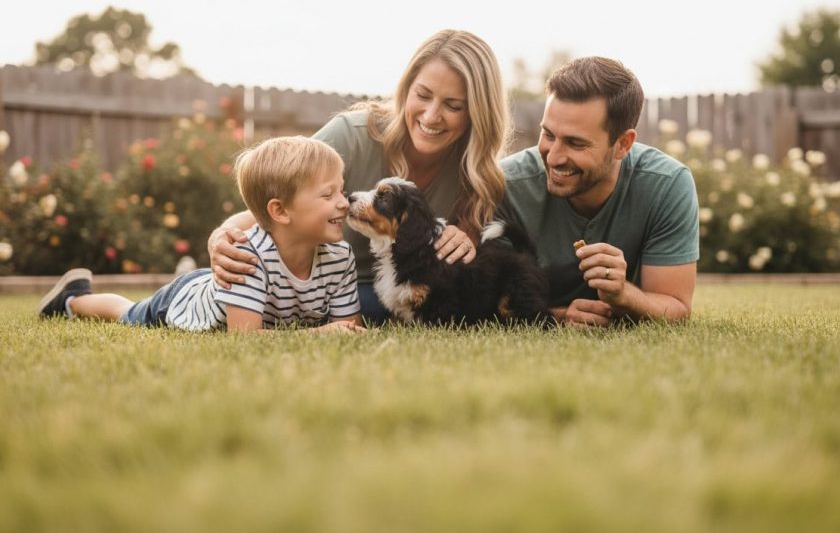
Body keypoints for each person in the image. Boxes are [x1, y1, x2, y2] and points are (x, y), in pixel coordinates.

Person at [208, 30, 511, 322]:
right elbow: (274, 207)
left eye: (453, 105)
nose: (431, 116)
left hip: (388, 297)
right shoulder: (351, 137)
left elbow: (464, 280)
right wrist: (223, 235)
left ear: (477, 113)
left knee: (373, 308)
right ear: (406, 90)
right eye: (423, 95)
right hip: (320, 289)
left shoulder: (476, 174)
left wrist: (465, 241)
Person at [38, 137, 364, 333]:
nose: (343, 202)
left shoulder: (339, 257)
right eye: (327, 195)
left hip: (217, 288)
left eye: (342, 190)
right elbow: (245, 338)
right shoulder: (247, 256)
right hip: (183, 302)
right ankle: (72, 298)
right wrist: (319, 334)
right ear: (280, 211)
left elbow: (347, 328)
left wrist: (341, 332)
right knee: (128, 312)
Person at [497, 56, 699, 326]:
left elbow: (675, 306)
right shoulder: (505, 185)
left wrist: (623, 294)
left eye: (575, 143)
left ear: (622, 144)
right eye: (548, 135)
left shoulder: (667, 185)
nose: (554, 157)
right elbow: (487, 301)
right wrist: (557, 317)